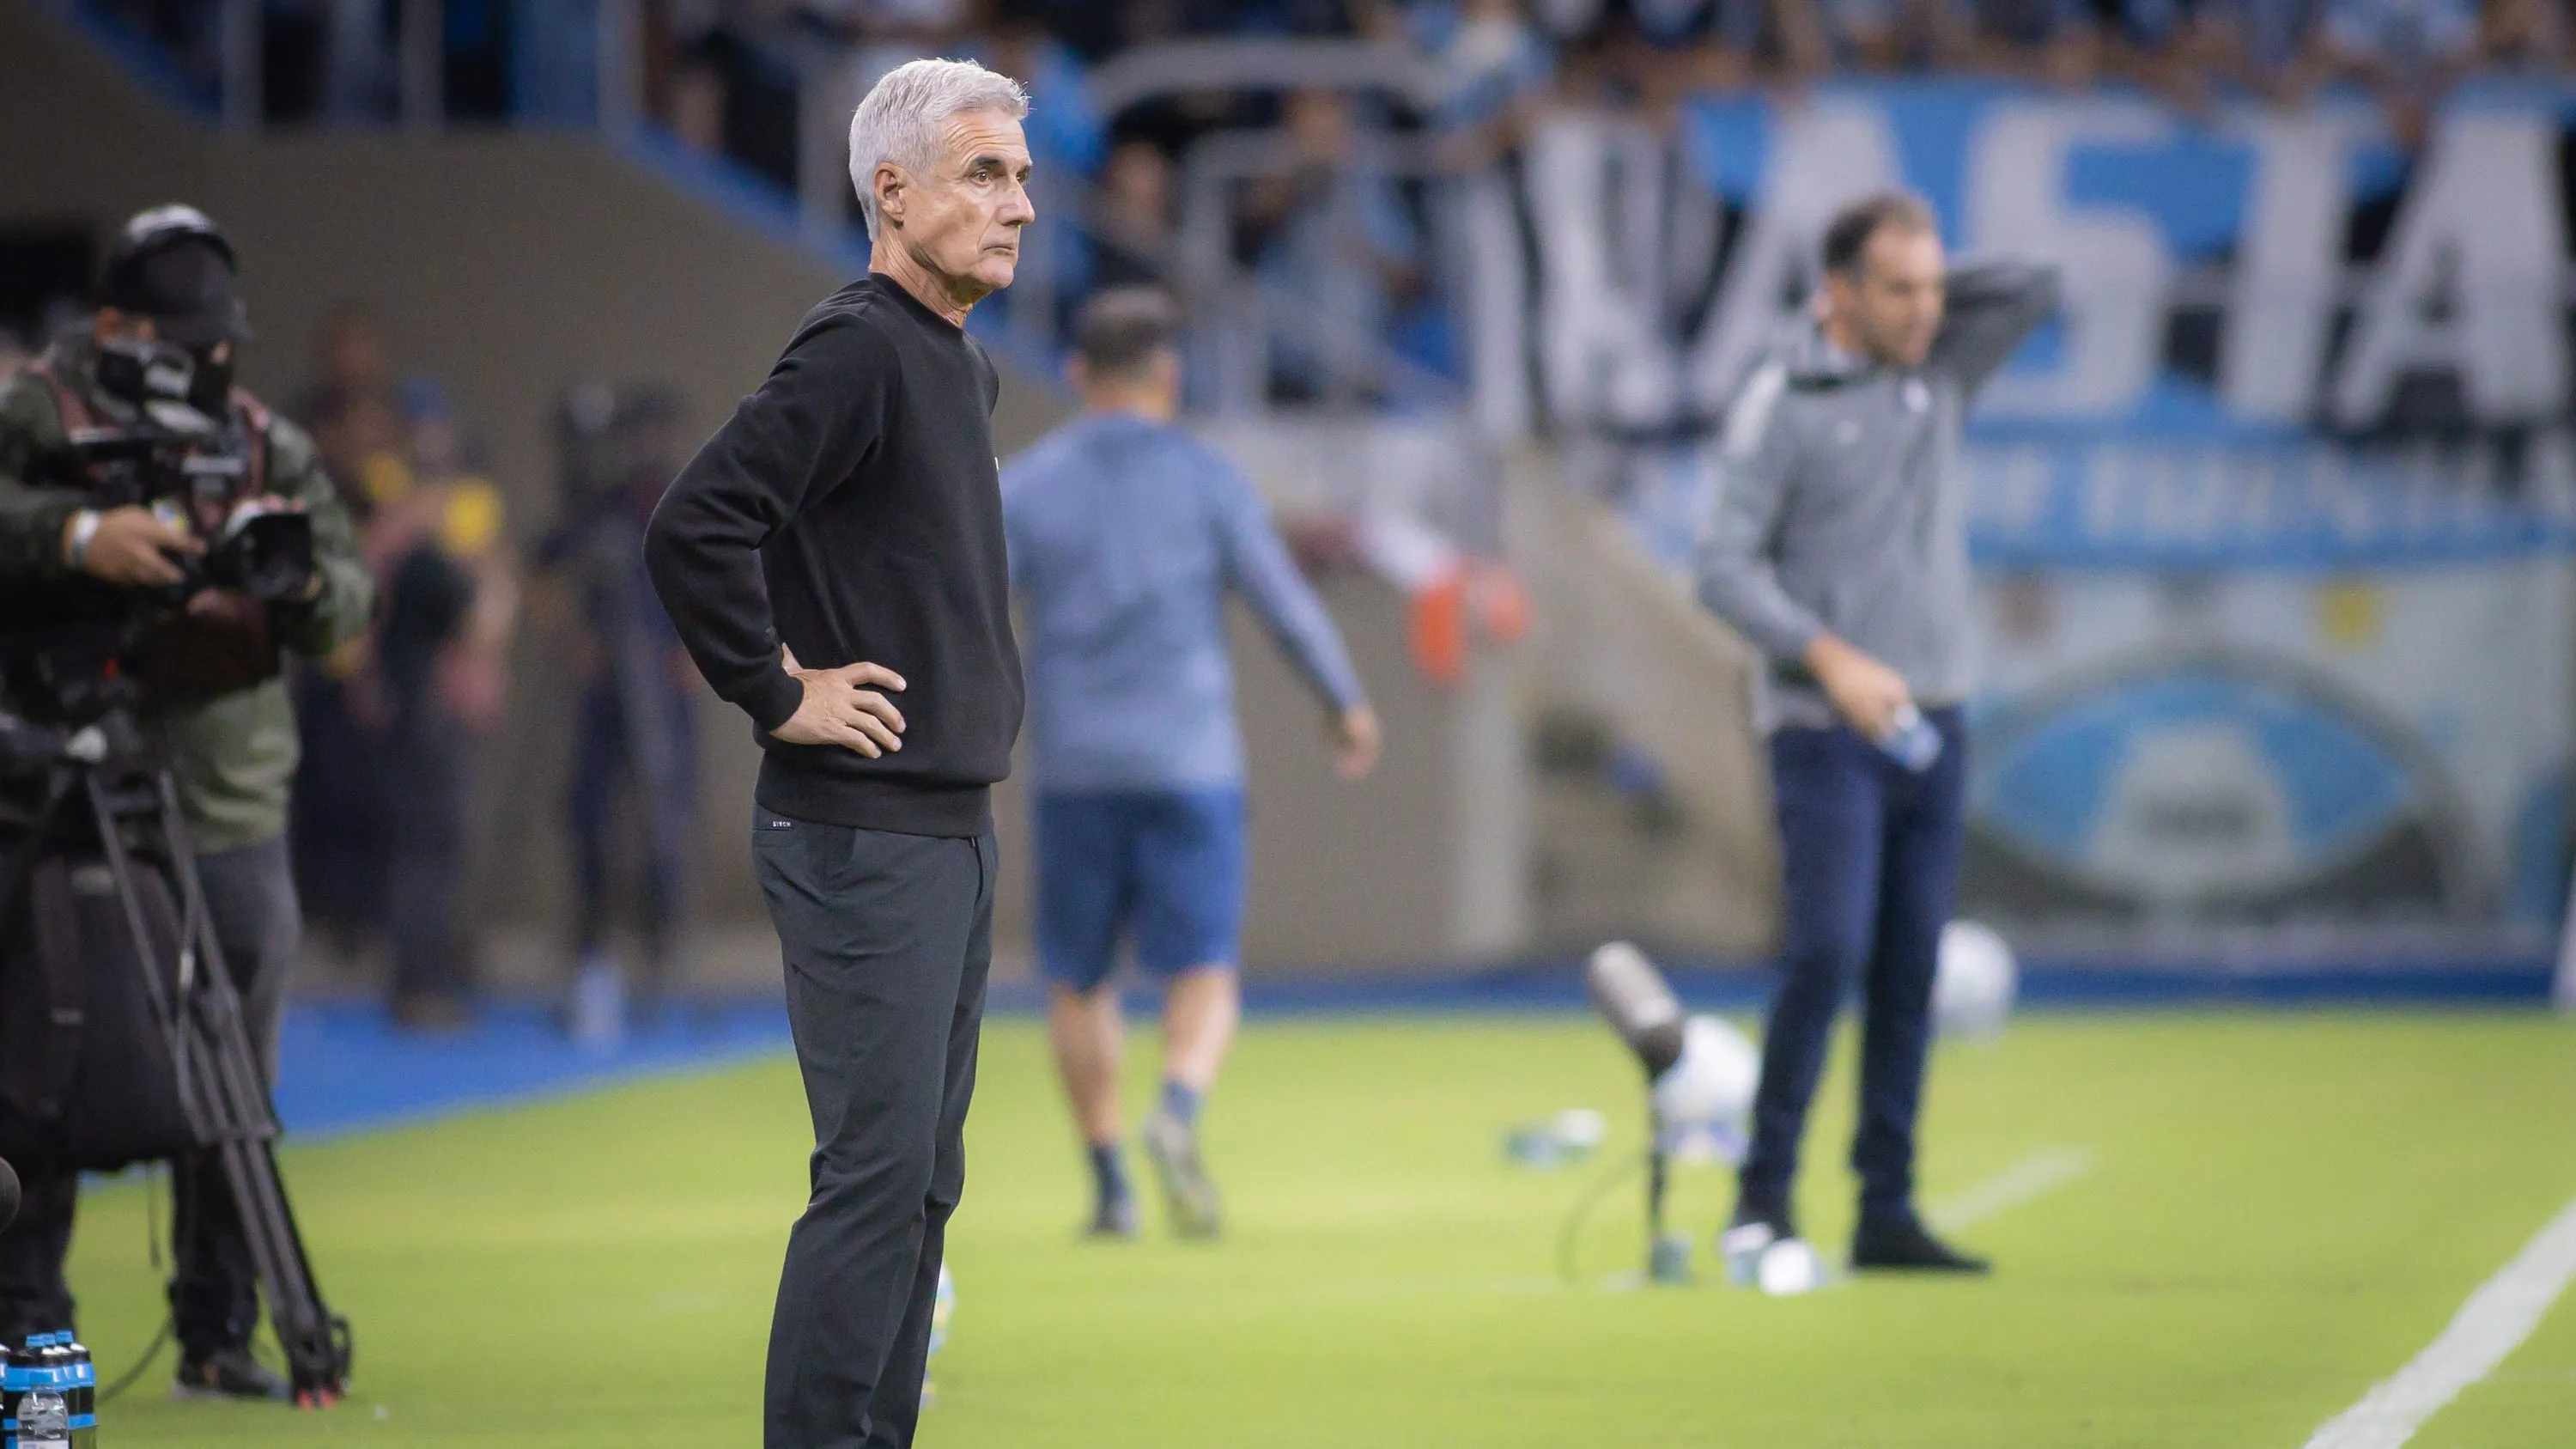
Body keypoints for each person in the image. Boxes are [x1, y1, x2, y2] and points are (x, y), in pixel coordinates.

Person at [642, 57, 1032, 1449]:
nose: (1020, 206)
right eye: (986, 174)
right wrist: (774, 687)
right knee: (876, 1176)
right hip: (862, 827)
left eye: (1023, 177)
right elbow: (694, 525)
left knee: (921, 1179)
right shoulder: (861, 344)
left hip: (944, 825)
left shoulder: (956, 364)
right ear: (892, 188)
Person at [0, 206, 374, 1394]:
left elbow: (344, 593)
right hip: (48, 782)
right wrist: (74, 534)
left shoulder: (257, 440)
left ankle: (218, 1329)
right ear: (116, 325)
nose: (212, 364)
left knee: (234, 1075)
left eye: (222, 340)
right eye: (186, 338)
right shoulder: (37, 416)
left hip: (220, 799)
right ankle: (26, 1329)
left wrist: (292, 574)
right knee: (32, 1063)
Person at [1695, 192, 2056, 1278]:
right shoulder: (1782, 398)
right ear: (1839, 290)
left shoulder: (1936, 374)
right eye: (1898, 288)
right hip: (1823, 724)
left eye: (1936, 288)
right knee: (1827, 953)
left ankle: (1884, 1207)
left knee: (1907, 971)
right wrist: (1830, 654)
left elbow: (2034, 280)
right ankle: (1762, 1199)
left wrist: (1925, 264)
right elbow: (1718, 568)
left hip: (1933, 718)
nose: (1926, 309)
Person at [1003, 287, 1381, 1241]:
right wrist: (1344, 702)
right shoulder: (1210, 480)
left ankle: (1110, 1182)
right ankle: (1176, 1108)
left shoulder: (1028, 484)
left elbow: (961, 607)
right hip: (1190, 762)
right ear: (1169, 376)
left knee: (1079, 979)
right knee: (1203, 968)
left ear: (1080, 374)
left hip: (1076, 765)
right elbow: (1285, 604)